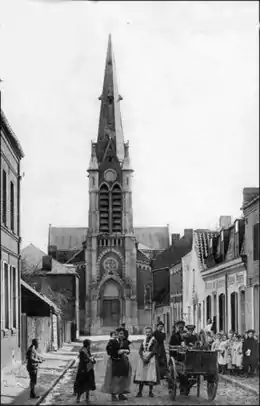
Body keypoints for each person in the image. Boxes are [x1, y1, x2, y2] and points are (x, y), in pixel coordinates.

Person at [102, 328, 131, 401]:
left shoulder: (125, 341)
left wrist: (125, 351)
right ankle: (113, 395)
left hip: (123, 361)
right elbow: (109, 352)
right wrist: (117, 352)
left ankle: (121, 394)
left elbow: (128, 350)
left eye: (122, 334)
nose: (121, 335)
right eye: (120, 333)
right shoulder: (112, 342)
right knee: (115, 378)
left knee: (123, 377)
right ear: (117, 334)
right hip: (115, 361)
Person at [134, 326, 160, 398]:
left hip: (150, 359)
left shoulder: (154, 340)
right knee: (141, 374)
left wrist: (148, 358)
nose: (148, 333)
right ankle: (139, 392)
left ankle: (150, 392)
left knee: (150, 375)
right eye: (146, 332)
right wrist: (142, 358)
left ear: (152, 332)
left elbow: (154, 351)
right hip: (143, 359)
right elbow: (140, 350)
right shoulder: (144, 340)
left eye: (149, 332)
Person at [74, 339, 96, 404]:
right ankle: (78, 398)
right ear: (87, 345)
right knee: (81, 385)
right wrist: (91, 360)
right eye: (90, 344)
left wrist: (92, 359)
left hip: (88, 370)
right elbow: (85, 360)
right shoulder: (82, 351)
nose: (90, 346)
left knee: (88, 386)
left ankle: (87, 399)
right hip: (83, 371)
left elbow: (91, 357)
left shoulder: (87, 350)